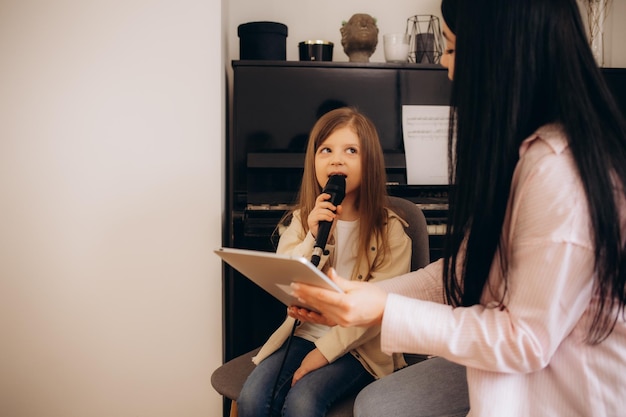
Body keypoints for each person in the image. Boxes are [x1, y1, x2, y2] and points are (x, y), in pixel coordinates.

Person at [290, 1, 626, 416]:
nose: (448, 68)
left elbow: (524, 341)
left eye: (451, 48)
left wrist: (384, 309)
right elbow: (461, 273)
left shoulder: (559, 172)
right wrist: (362, 296)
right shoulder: (521, 155)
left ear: (499, 51)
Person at [236, 107, 413, 417]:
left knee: (303, 403)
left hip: (360, 346)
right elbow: (287, 276)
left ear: (369, 161)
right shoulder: (303, 221)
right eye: (326, 150)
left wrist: (321, 354)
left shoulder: (392, 231)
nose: (336, 159)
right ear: (313, 161)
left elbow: (379, 312)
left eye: (351, 150)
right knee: (253, 398)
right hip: (304, 332)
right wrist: (314, 237)